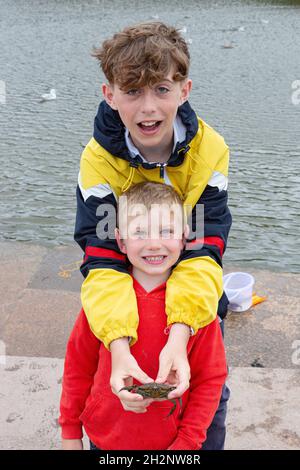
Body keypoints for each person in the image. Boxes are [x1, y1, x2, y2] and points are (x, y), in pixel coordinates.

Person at [74, 21, 232, 449]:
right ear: (109, 94)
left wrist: (181, 334)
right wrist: (119, 346)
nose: (148, 108)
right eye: (132, 92)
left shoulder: (211, 150)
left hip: (196, 315)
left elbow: (204, 249)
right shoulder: (97, 160)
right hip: (124, 313)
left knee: (206, 405)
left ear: (185, 90)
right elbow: (102, 257)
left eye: (162, 89)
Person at [59, 182, 228, 450]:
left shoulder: (198, 305)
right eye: (139, 232)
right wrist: (70, 432)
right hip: (105, 439)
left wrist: (187, 442)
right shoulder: (102, 301)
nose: (153, 244)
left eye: (166, 231)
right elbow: (77, 368)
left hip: (172, 443)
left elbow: (210, 379)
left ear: (184, 237)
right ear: (121, 241)